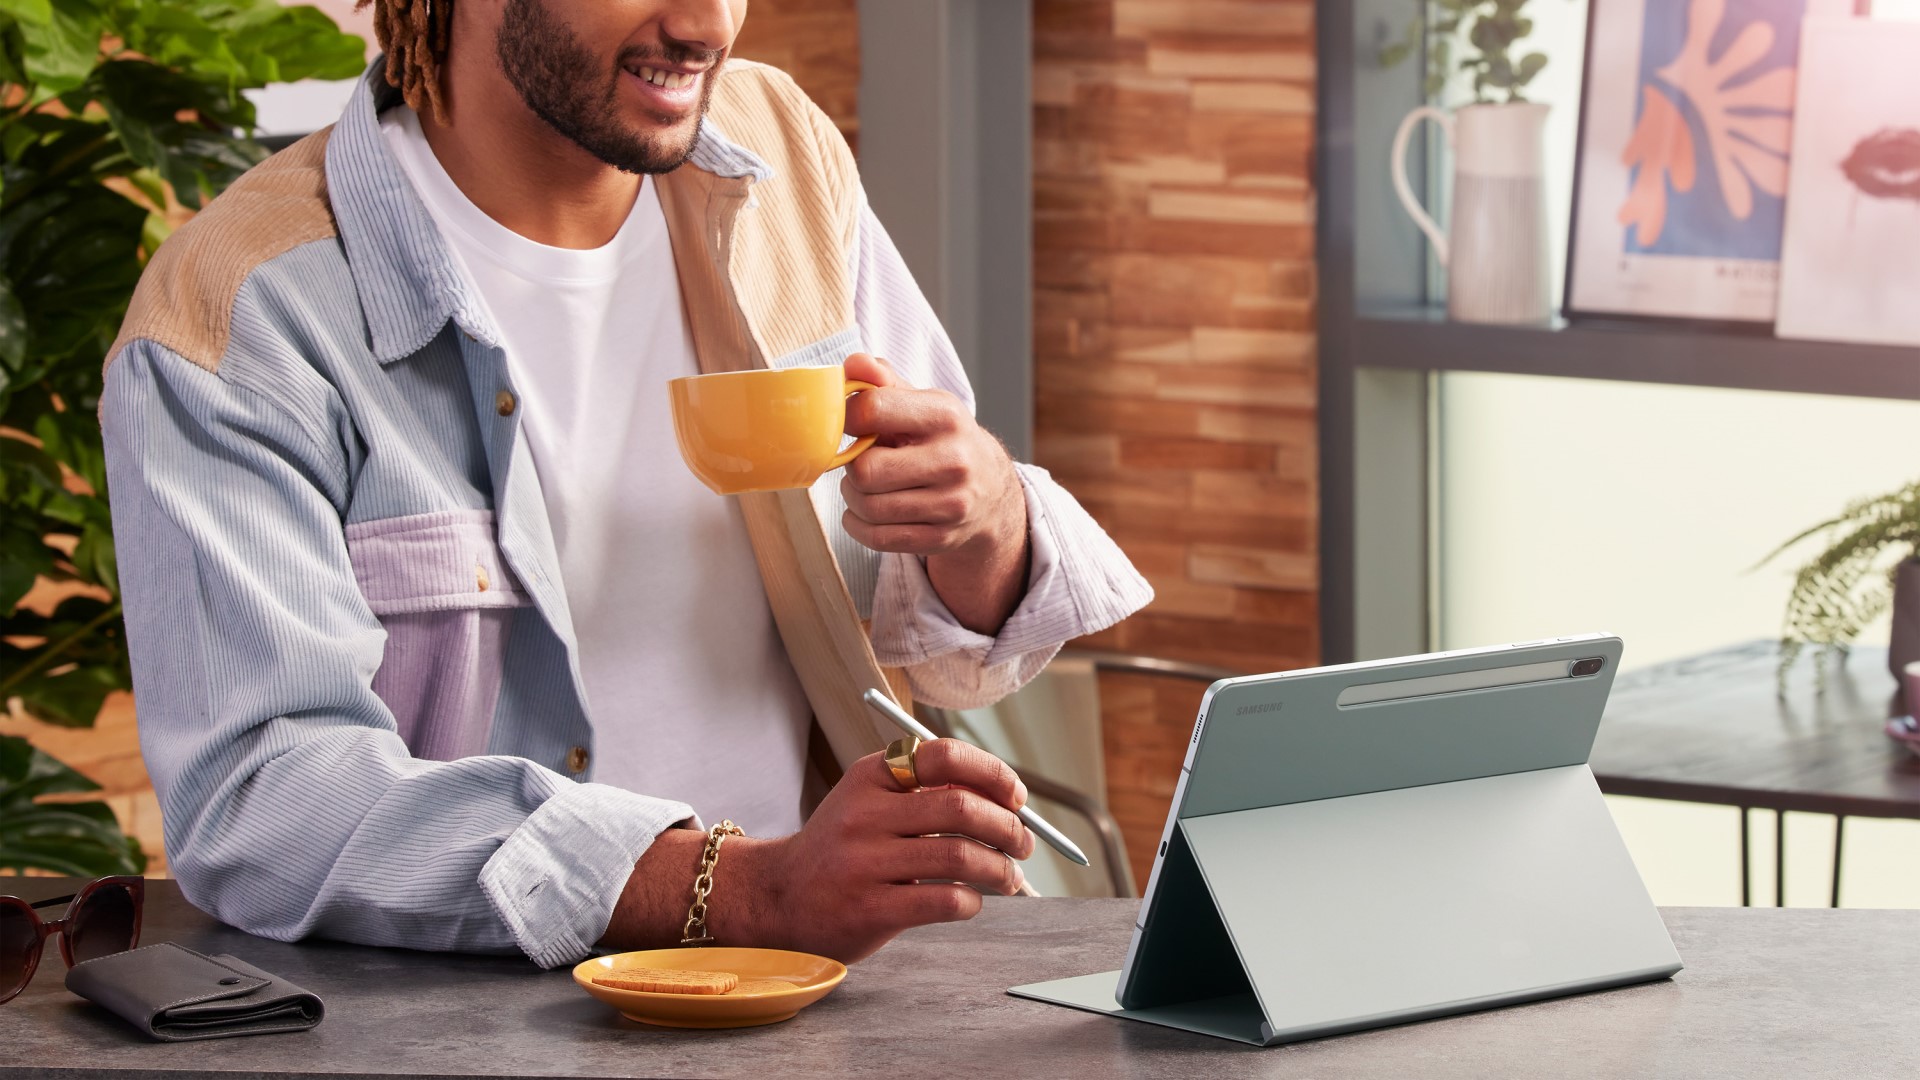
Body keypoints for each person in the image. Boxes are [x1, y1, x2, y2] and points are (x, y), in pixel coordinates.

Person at [99, 0, 1151, 968]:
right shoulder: (240, 313)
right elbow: (261, 800)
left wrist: (981, 521)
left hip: (815, 1000)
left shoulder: (775, 151)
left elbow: (946, 634)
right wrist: (738, 890)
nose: (704, 23)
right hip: (463, 1029)